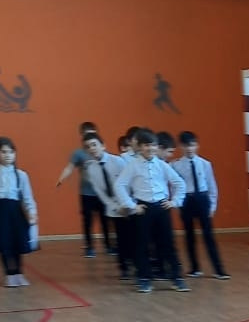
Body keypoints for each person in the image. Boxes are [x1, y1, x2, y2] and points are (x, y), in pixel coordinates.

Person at [113, 129, 188, 293]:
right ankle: (144, 279)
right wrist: (131, 205)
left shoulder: (162, 165)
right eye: (146, 145)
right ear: (140, 147)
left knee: (168, 243)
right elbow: (119, 185)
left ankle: (177, 278)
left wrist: (174, 202)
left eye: (153, 145)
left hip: (161, 208)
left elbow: (179, 183)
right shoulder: (133, 165)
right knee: (142, 245)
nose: (150, 148)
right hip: (143, 209)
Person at [171, 131, 228, 278]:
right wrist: (177, 204)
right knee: (189, 236)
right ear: (181, 147)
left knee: (208, 236)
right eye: (186, 146)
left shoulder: (205, 164)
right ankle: (194, 268)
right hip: (186, 201)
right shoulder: (175, 165)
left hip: (202, 199)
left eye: (192, 145)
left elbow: (212, 186)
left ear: (197, 145)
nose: (189, 149)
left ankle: (219, 270)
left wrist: (212, 206)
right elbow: (174, 187)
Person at [56, 119, 112, 258]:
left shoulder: (100, 150)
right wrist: (62, 178)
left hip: (102, 193)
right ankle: (89, 247)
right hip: (86, 193)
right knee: (87, 221)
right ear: (81, 135)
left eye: (92, 133)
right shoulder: (78, 153)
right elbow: (70, 167)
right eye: (86, 134)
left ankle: (108, 245)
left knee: (105, 219)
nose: (89, 137)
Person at [83, 131, 133, 281]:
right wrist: (116, 207)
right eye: (88, 147)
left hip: (129, 203)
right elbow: (101, 193)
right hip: (114, 208)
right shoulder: (91, 169)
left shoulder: (118, 161)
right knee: (120, 238)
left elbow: (129, 183)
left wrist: (127, 204)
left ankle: (137, 265)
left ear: (103, 146)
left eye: (94, 145)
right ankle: (124, 268)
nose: (92, 149)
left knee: (133, 237)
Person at [0, 136, 38, 287]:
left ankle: (18, 273)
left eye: (11, 152)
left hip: (16, 214)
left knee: (17, 243)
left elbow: (28, 197)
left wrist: (32, 213)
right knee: (4, 243)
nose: (8, 155)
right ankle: (9, 274)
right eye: (3, 152)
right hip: (0, 214)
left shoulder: (21, 175)